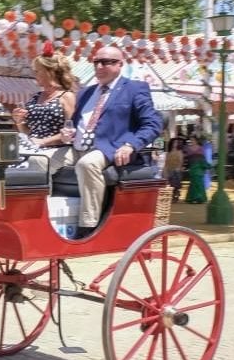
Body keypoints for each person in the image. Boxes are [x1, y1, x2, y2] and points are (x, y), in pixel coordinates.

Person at [54, 45, 162, 237]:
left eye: (106, 62)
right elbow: (76, 123)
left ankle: (88, 226)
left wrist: (131, 145)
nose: (99, 66)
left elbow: (153, 124)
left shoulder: (135, 89)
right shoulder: (85, 93)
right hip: (77, 146)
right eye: (96, 62)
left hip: (110, 148)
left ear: (120, 64)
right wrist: (67, 133)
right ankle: (43, 216)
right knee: (39, 161)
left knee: (87, 164)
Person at [12, 41, 77, 172]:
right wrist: (19, 122)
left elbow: (71, 132)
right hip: (32, 146)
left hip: (56, 149)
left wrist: (42, 142)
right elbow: (29, 132)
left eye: (37, 71)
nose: (34, 75)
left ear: (49, 72)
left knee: (33, 162)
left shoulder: (67, 96)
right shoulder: (36, 96)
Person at [184, 137, 209, 204]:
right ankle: (192, 198)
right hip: (192, 167)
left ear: (196, 141)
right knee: (193, 183)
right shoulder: (188, 149)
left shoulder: (201, 148)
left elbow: (203, 158)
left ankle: (200, 198)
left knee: (199, 183)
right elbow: (187, 159)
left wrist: (204, 167)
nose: (192, 141)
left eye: (193, 140)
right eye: (191, 140)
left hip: (199, 167)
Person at [164, 137, 185, 203]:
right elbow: (166, 163)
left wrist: (178, 168)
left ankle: (176, 195)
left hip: (177, 170)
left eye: (176, 142)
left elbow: (181, 161)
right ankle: (174, 195)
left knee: (176, 184)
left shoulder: (179, 152)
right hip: (169, 169)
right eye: (174, 142)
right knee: (171, 184)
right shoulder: (168, 153)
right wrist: (165, 171)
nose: (175, 143)